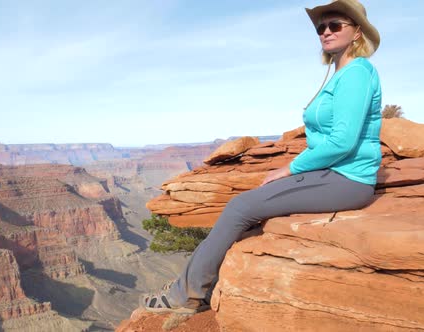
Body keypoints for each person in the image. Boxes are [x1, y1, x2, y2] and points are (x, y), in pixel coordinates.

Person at [141, 0, 382, 314]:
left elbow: (343, 142)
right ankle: (192, 281)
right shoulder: (339, 74)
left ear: (356, 32)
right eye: (322, 26)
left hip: (348, 179)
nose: (325, 31)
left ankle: (185, 294)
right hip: (331, 173)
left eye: (335, 25)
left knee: (240, 206)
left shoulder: (357, 73)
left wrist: (289, 169)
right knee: (252, 202)